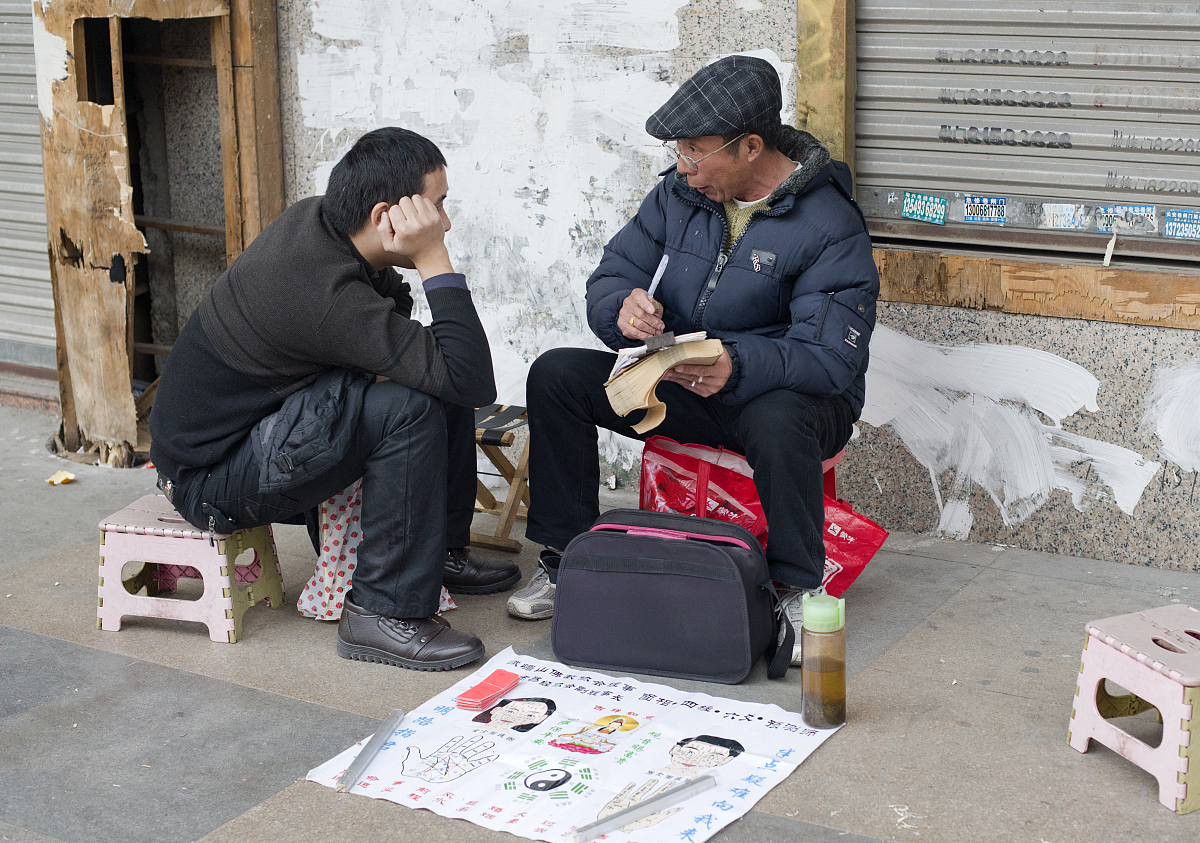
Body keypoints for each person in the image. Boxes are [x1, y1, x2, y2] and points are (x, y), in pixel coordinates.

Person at [508, 56, 878, 665]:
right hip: (681, 382)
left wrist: (738, 361)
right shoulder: (679, 194)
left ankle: (793, 585)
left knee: (778, 417)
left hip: (789, 402)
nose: (683, 168)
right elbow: (614, 271)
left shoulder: (829, 223)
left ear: (752, 147)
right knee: (556, 375)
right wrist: (619, 308)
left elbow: (832, 358)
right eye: (679, 152)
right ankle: (568, 560)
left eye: (696, 153)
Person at [149, 127, 520, 671]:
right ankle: (382, 612)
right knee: (409, 406)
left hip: (255, 433)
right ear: (384, 216)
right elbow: (470, 378)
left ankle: (437, 553)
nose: (443, 222)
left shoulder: (322, 223)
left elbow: (442, 363)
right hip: (212, 479)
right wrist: (434, 257)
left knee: (432, 374)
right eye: (436, 207)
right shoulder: (323, 292)